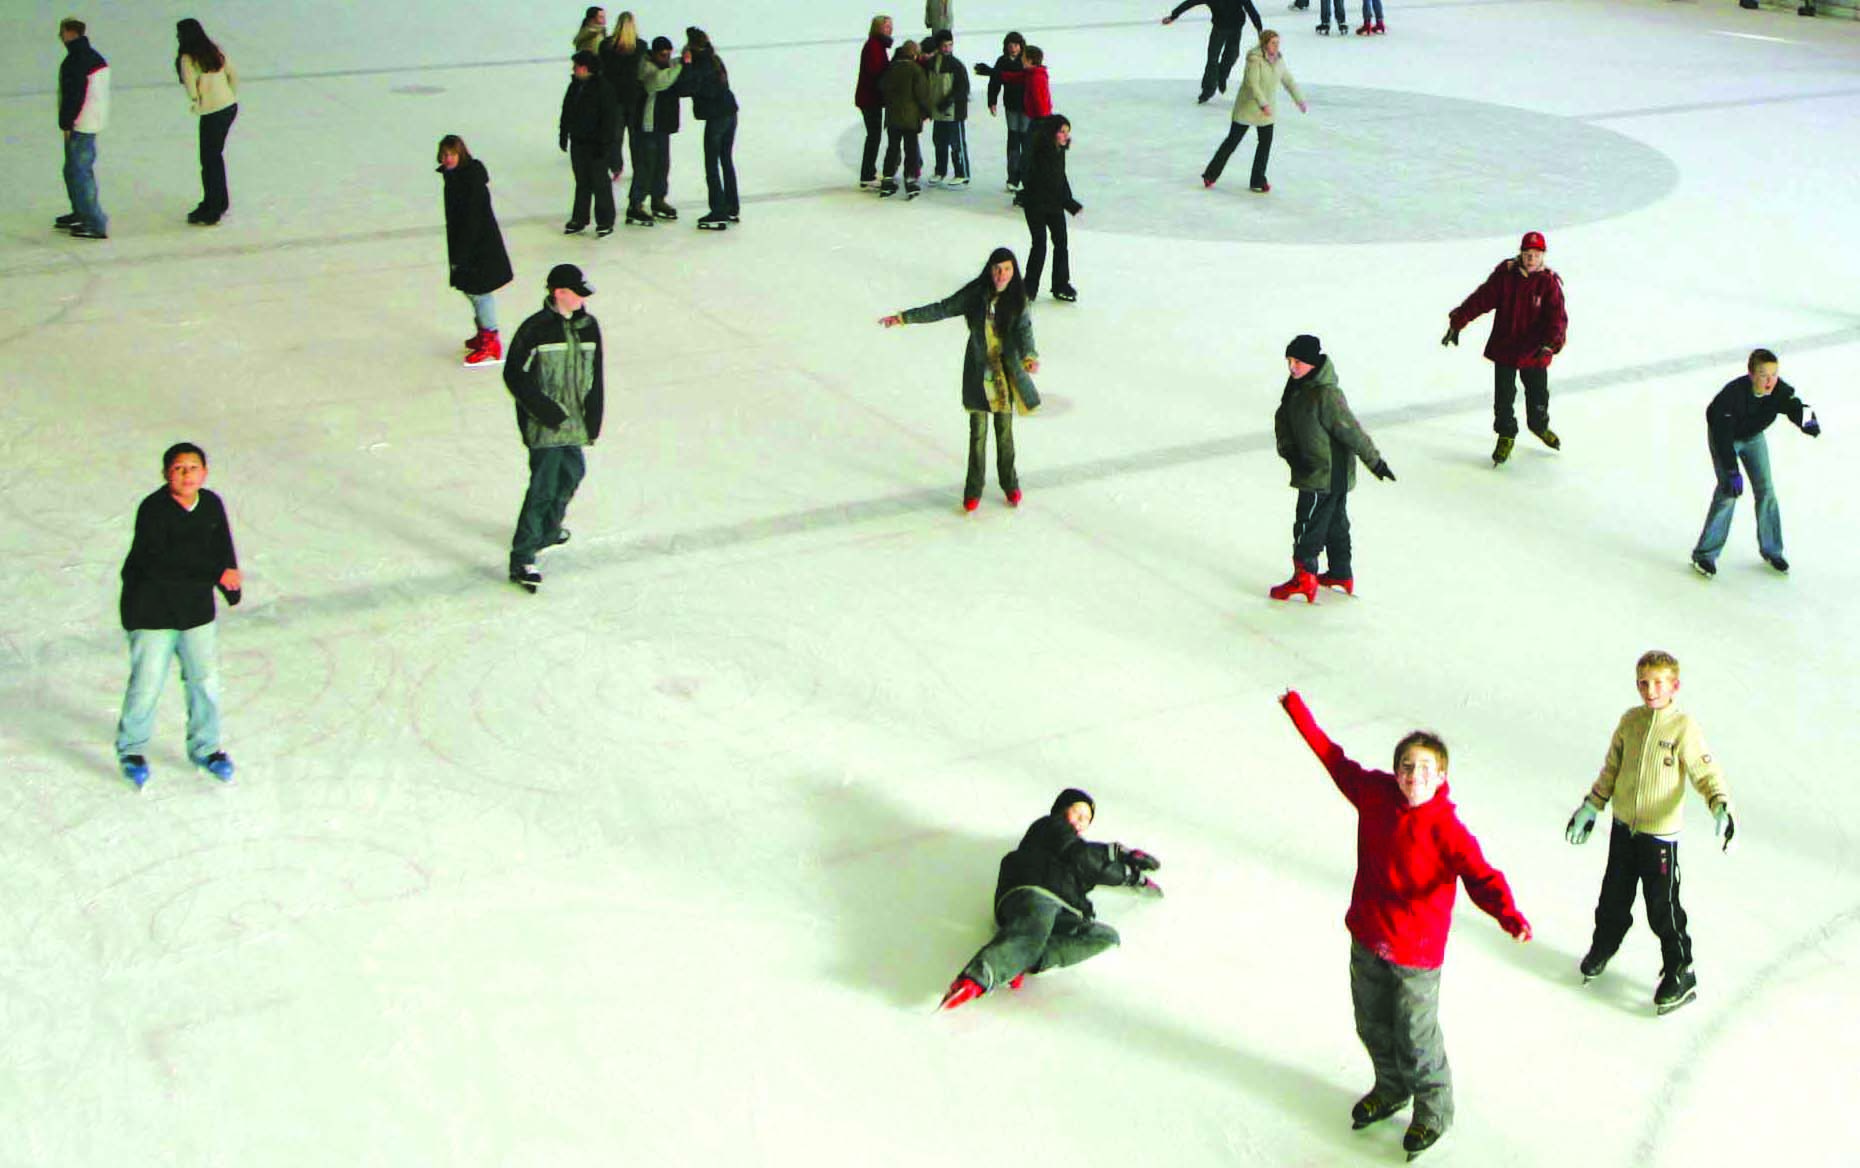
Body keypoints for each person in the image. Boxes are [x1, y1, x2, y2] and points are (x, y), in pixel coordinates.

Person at [1278, 690, 1530, 1161]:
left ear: (1442, 776)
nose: (1415, 777)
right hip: (1368, 934)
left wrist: (1507, 914)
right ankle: (1391, 1088)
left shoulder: (1446, 829)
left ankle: (1435, 1110)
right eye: (1407, 767)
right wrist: (1296, 708)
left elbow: (1481, 876)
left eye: (1426, 769)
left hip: (1416, 950)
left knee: (1416, 1035)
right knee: (1371, 1021)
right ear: (1396, 771)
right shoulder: (1375, 794)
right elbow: (1334, 759)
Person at [1564, 651, 1734, 1015]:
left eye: (1658, 683)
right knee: (1613, 897)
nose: (1650, 690)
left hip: (1659, 838)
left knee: (1662, 907)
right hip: (1624, 830)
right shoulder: (1631, 722)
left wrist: (1720, 804)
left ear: (1675, 686)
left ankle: (1680, 969)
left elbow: (1705, 773)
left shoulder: (1683, 728)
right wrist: (1592, 806)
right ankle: (1604, 945)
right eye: (1643, 683)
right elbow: (1612, 768)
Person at [937, 788, 1162, 1010]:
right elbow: (1083, 856)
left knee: (1105, 937)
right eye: (1077, 812)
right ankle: (976, 979)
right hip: (1038, 889)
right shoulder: (1050, 826)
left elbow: (1089, 860)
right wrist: (1128, 873)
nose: (1081, 821)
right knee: (1030, 935)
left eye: (1086, 819)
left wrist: (1124, 859)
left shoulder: (1073, 848)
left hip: (1063, 906)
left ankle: (1022, 961)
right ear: (1062, 809)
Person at [116, 442, 242, 789]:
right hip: (151, 611)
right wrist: (216, 573)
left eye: (193, 468)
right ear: (166, 474)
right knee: (147, 683)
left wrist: (230, 580)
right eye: (178, 468)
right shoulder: (153, 510)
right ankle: (131, 749)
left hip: (195, 611)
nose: (186, 475)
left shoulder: (211, 503)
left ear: (204, 472)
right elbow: (163, 563)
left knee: (204, 680)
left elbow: (222, 545)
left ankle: (206, 748)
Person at [878, 248, 1040, 511]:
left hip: (1004, 377)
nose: (1002, 275)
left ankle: (1010, 484)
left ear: (1014, 271)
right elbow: (943, 308)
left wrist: (1029, 356)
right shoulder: (976, 294)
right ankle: (973, 489)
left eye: (1007, 269)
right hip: (978, 373)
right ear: (990, 270)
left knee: (1005, 435)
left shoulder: (1018, 299)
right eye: (997, 269)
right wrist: (904, 317)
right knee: (977, 436)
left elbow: (1025, 331)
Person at [503, 264, 606, 593]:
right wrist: (546, 411)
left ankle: (548, 530)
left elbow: (596, 376)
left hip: (574, 421)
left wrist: (593, 418)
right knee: (543, 487)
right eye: (577, 293)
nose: (582, 299)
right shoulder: (535, 329)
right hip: (544, 423)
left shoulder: (589, 327)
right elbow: (514, 375)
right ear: (559, 292)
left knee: (572, 474)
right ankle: (523, 556)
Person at [1270, 335, 1393, 602]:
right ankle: (1340, 572)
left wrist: (1375, 462)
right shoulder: (1297, 389)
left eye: (1298, 361)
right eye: (1289, 361)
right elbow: (1283, 421)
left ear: (1313, 363)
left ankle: (1304, 577)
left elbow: (1351, 431)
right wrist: (1290, 453)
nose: (1292, 367)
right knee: (1336, 524)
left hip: (1321, 474)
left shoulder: (1325, 394)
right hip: (1322, 472)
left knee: (1307, 524)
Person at [1689, 348, 1820, 577]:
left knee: (1766, 490)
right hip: (1726, 438)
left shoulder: (1777, 390)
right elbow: (1722, 437)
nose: (1770, 381)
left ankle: (1772, 550)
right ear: (1751, 374)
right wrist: (1732, 471)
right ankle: (1705, 555)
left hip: (1753, 437)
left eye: (1774, 374)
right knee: (1728, 492)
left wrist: (1808, 420)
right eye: (1763, 375)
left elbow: (1794, 404)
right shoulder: (1731, 398)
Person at [1443, 231, 1568, 466]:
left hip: (1535, 352)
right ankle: (1506, 434)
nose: (1531, 259)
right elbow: (1481, 299)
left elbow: (1558, 318)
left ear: (1543, 256)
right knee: (1503, 398)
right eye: (1527, 254)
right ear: (1521, 253)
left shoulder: (1549, 284)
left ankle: (1539, 425)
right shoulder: (1506, 277)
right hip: (1506, 348)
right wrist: (1458, 321)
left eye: (1536, 254)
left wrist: (1551, 344)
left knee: (1538, 395)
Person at [437, 135, 514, 366]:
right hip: (468, 243)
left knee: (479, 292)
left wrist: (462, 252)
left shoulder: (469, 180)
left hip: (478, 247)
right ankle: (484, 331)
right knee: (471, 289)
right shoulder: (455, 176)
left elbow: (471, 219)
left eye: (452, 154)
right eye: (444, 154)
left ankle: (491, 340)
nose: (447, 159)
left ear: (461, 154)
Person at [1201, 29, 1305, 193]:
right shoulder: (1254, 60)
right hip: (1248, 107)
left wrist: (1299, 100)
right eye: (1273, 43)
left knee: (1265, 144)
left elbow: (1288, 81)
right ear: (1264, 44)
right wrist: (1263, 104)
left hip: (1267, 111)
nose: (1276, 46)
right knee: (1232, 142)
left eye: (1278, 43)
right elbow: (1253, 85)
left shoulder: (1278, 60)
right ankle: (1210, 174)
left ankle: (1258, 179)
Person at [174, 19, 237, 226]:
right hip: (229, 107)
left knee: (209, 160)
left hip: (212, 112)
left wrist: (198, 103)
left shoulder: (187, 59)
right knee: (215, 157)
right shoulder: (214, 50)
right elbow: (233, 75)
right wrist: (228, 95)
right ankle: (219, 201)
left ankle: (213, 207)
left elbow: (192, 90)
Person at [56, 17, 111, 240]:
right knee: (72, 170)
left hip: (82, 123)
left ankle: (95, 223)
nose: (59, 37)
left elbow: (74, 95)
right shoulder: (93, 57)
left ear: (71, 33)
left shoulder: (76, 61)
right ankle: (81, 212)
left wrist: (66, 123)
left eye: (62, 32)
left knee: (80, 172)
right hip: (91, 119)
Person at [1018, 114, 1081, 302]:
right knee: (1040, 244)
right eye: (1062, 132)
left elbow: (1060, 178)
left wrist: (1069, 203)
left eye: (1067, 132)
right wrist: (1032, 192)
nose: (1066, 136)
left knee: (1061, 242)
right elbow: (1028, 174)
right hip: (1036, 204)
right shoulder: (1038, 151)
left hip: (1054, 205)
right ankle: (1029, 288)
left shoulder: (1059, 151)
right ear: (1052, 133)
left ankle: (1060, 284)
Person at [559, 50, 621, 236]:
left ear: (586, 68)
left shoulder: (603, 89)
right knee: (582, 182)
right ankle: (579, 217)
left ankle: (605, 220)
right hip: (578, 142)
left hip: (596, 145)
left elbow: (609, 120)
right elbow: (567, 111)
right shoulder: (575, 86)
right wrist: (564, 134)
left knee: (600, 183)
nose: (573, 69)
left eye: (576, 66)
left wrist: (604, 145)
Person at [627, 36, 686, 225]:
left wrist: (685, 57)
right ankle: (636, 203)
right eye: (662, 55)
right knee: (646, 166)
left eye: (669, 54)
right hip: (648, 126)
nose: (666, 58)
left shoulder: (668, 65)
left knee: (662, 164)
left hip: (663, 125)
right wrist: (680, 65)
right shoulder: (646, 68)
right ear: (653, 53)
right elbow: (660, 81)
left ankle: (658, 199)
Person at [684, 27, 739, 229]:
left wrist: (687, 65)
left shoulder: (699, 64)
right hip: (730, 112)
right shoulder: (714, 59)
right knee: (726, 160)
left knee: (711, 163)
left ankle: (718, 210)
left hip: (717, 117)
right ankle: (731, 206)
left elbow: (689, 87)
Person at [1161, 0, 1263, 104]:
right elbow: (1190, 2)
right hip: (1219, 28)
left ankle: (1222, 76)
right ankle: (1207, 91)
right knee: (1212, 59)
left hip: (1236, 28)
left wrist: (1259, 28)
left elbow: (1250, 8)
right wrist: (1173, 16)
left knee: (1232, 55)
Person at [877, 39, 931, 198]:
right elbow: (922, 94)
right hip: (910, 118)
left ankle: (888, 179)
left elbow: (882, 86)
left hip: (893, 117)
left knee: (892, 148)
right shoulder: (916, 70)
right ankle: (910, 180)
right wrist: (927, 111)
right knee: (911, 149)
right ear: (914, 54)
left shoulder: (891, 68)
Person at [975, 31, 1028, 190]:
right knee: (1013, 140)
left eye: (1016, 45)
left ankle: (1027, 178)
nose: (1013, 48)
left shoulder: (1026, 60)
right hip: (1011, 106)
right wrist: (992, 101)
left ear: (1021, 46)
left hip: (1027, 107)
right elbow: (995, 82)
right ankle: (1012, 178)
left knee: (1026, 141)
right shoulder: (1002, 61)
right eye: (1010, 45)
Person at [598, 11, 643, 180]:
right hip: (635, 98)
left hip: (614, 98)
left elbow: (602, 71)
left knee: (615, 136)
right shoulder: (640, 47)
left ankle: (616, 167)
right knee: (636, 137)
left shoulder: (606, 46)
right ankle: (639, 169)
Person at [926, 30, 970, 187]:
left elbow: (962, 88)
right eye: (944, 45)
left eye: (950, 45)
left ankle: (962, 172)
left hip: (954, 112)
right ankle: (940, 171)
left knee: (956, 143)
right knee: (939, 142)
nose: (947, 48)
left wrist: (948, 101)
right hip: (937, 111)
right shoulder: (932, 64)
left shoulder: (956, 65)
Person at [856, 15, 895, 189]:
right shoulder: (874, 46)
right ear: (878, 28)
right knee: (874, 136)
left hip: (871, 98)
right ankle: (867, 174)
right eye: (887, 27)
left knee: (874, 135)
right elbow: (877, 72)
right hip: (870, 99)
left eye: (890, 26)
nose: (890, 29)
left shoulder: (877, 45)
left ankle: (868, 172)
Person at [986, 44, 1052, 122]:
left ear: (1029, 60)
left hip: (1039, 119)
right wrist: (991, 72)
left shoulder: (1036, 78)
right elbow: (1013, 77)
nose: (1021, 59)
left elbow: (1039, 102)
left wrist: (1042, 122)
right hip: (1035, 117)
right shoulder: (1030, 73)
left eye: (1023, 57)